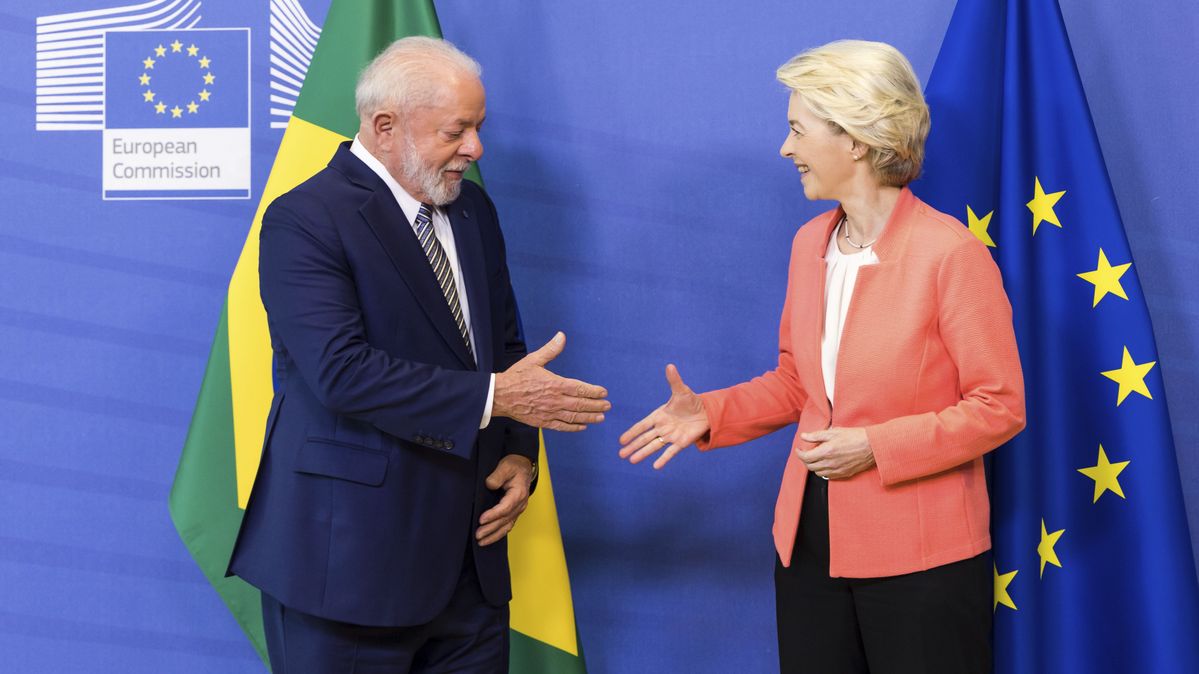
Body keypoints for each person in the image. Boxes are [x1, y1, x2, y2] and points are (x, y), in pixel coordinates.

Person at [619, 40, 1025, 673]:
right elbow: (795, 383)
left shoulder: (951, 254)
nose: (786, 149)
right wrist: (712, 413)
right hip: (809, 543)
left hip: (924, 561)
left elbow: (999, 407)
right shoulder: (810, 242)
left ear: (856, 140)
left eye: (797, 130)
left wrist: (877, 447)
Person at [227, 36, 610, 673]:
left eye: (479, 128)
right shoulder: (305, 219)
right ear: (385, 126)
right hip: (348, 566)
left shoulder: (474, 211)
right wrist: (496, 400)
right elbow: (341, 373)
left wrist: (518, 450)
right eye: (456, 131)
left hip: (471, 568)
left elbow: (505, 351)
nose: (476, 149)